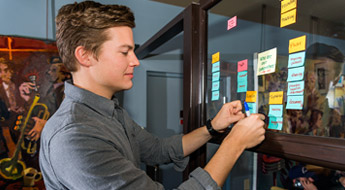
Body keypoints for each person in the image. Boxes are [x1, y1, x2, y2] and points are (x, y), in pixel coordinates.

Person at [39, 1, 266, 189]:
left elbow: (159, 149)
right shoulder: (75, 137)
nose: (135, 61)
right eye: (125, 52)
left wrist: (213, 127)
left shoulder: (109, 113)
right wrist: (234, 143)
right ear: (85, 55)